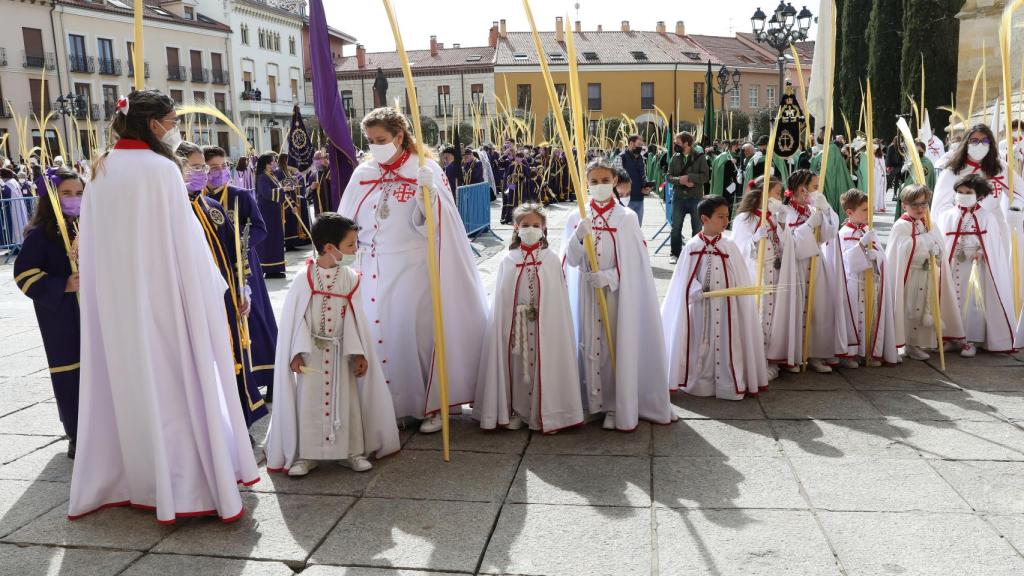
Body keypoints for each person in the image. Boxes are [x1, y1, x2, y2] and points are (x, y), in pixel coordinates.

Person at [70, 90, 259, 523]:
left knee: (131, 379)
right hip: (161, 294)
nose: (175, 130)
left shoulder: (99, 168)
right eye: (172, 122)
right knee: (173, 380)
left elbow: (94, 243)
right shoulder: (160, 168)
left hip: (118, 298)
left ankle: (138, 478)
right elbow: (186, 238)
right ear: (153, 124)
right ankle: (185, 482)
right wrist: (212, 287)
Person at [338, 107, 486, 433]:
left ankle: (431, 404)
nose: (375, 146)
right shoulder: (363, 173)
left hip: (413, 266)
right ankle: (392, 403)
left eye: (382, 140)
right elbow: (345, 219)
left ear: (400, 136)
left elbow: (441, 225)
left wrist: (428, 197)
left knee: (416, 333)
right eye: (370, 141)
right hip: (371, 265)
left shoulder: (425, 168)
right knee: (381, 336)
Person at [265, 213, 400, 476]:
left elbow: (354, 317)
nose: (355, 250)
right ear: (330, 247)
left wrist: (358, 353)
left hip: (341, 353)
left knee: (346, 402)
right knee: (309, 403)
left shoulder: (350, 278)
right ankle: (306, 455)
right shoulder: (304, 279)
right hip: (311, 355)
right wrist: (296, 352)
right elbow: (298, 319)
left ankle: (351, 452)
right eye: (350, 245)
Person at [563, 159, 675, 431]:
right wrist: (578, 236)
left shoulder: (626, 218)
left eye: (604, 180)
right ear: (586, 184)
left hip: (616, 296)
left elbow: (635, 262)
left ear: (614, 182)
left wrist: (610, 276)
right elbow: (572, 261)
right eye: (594, 181)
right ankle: (593, 400)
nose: (599, 186)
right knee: (589, 343)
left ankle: (615, 403)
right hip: (589, 292)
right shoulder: (577, 215)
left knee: (615, 341)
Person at [177, 141, 268, 429]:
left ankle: (240, 419)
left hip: (226, 296)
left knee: (233, 356)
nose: (204, 172)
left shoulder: (212, 207)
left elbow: (233, 253)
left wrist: (242, 288)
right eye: (197, 167)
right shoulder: (172, 211)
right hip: (194, 299)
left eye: (204, 166)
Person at [474, 203, 584, 432]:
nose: (531, 229)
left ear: (544, 228)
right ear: (516, 228)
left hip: (545, 325)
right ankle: (519, 411)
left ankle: (549, 414)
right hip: (518, 325)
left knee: (545, 365)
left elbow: (558, 300)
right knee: (517, 367)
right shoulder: (509, 259)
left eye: (536, 225)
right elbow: (503, 299)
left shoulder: (551, 259)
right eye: (525, 225)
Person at [662, 195, 768, 400]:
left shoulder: (729, 245)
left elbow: (740, 277)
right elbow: (681, 280)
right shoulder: (692, 246)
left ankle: (728, 382)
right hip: (702, 308)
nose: (725, 221)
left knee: (729, 341)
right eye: (720, 216)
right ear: (704, 219)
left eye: (727, 216)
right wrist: (695, 289)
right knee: (703, 342)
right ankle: (702, 382)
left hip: (728, 307)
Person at [13, 167, 83, 458]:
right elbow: (24, 275)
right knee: (71, 373)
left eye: (79, 193)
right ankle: (76, 434)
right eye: (66, 193)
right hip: (62, 316)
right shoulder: (40, 235)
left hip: (93, 311)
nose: (73, 199)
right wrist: (62, 284)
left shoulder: (91, 225)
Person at [204, 145, 279, 400]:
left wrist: (241, 244)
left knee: (256, 316)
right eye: (213, 167)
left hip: (245, 267)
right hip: (217, 268)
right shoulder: (198, 199)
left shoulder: (240, 195)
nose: (220, 171)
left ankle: (270, 377)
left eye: (223, 165)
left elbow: (260, 227)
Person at [766, 169, 854, 373]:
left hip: (816, 264)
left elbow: (830, 234)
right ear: (801, 189)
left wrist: (825, 210)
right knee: (797, 309)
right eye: (814, 187)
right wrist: (808, 225)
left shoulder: (812, 210)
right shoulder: (787, 212)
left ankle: (815, 353)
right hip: (796, 267)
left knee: (818, 309)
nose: (817, 192)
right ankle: (795, 354)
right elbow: (791, 244)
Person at [937, 174, 1017, 356]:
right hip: (953, 263)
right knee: (950, 300)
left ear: (979, 195)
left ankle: (970, 339)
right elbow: (942, 239)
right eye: (959, 191)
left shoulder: (987, 216)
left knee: (972, 302)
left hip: (976, 268)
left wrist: (981, 253)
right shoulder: (948, 214)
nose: (962, 195)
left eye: (968, 192)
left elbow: (993, 245)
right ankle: (949, 336)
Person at [885, 185, 965, 361]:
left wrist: (936, 250)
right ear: (904, 205)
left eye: (924, 204)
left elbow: (939, 246)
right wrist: (923, 241)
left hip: (927, 274)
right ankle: (905, 343)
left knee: (923, 308)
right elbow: (901, 249)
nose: (920, 209)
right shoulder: (901, 226)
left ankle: (917, 343)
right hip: (910, 275)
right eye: (915, 205)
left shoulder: (929, 223)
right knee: (909, 308)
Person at [730, 175, 785, 381]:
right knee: (760, 313)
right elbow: (738, 248)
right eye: (777, 193)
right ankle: (757, 357)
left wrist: (781, 222)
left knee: (773, 315)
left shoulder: (773, 216)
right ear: (763, 194)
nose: (780, 197)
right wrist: (755, 239)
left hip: (775, 272)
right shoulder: (746, 219)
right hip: (756, 272)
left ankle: (770, 355)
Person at [837, 189, 899, 365]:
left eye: (870, 209)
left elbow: (882, 257)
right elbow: (846, 263)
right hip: (854, 286)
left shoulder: (867, 230)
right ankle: (852, 354)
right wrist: (860, 246)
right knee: (855, 318)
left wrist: (876, 257)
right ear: (850, 212)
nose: (869, 213)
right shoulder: (843, 234)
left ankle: (870, 351)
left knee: (870, 318)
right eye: (864, 210)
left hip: (870, 283)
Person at [666, 131, 710, 264]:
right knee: (676, 227)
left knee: (696, 227)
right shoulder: (675, 157)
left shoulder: (700, 157)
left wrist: (690, 178)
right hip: (679, 197)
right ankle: (675, 254)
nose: (675, 144)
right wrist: (680, 180)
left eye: (677, 142)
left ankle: (694, 253)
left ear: (686, 143)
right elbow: (668, 176)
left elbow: (705, 177)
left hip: (695, 197)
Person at [255, 152, 287, 278]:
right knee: (270, 239)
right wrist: (283, 190)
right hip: (267, 212)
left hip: (274, 211)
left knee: (276, 238)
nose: (274, 163)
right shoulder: (262, 176)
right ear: (266, 164)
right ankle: (269, 268)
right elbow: (266, 193)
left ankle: (276, 268)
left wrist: (284, 189)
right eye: (272, 161)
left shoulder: (271, 175)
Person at [617, 135, 649, 224]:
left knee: (637, 228)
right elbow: (615, 180)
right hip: (625, 200)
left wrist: (646, 187)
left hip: (640, 199)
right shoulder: (621, 158)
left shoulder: (641, 159)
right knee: (625, 228)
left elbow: (643, 176)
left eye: (642, 145)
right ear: (631, 143)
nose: (641, 147)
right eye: (639, 144)